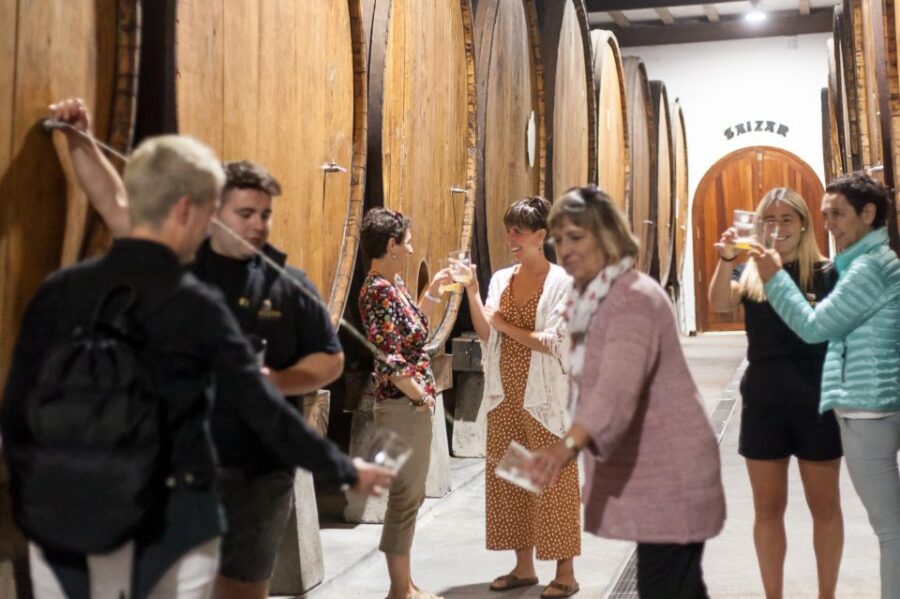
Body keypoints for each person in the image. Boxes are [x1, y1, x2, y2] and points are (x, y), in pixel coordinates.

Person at [0, 134, 392, 599]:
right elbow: (118, 204)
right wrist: (346, 471)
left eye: (265, 214)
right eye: (240, 213)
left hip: (229, 477)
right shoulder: (187, 287)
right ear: (203, 212)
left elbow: (19, 407)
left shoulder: (283, 283)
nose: (257, 226)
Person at [531, 186, 725, 599]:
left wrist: (565, 447)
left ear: (607, 235)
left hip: (672, 470)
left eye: (576, 237)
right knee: (680, 587)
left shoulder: (631, 298)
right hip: (653, 468)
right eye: (558, 239)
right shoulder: (596, 297)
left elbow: (616, 390)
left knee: (666, 587)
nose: (564, 248)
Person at [753, 173, 900, 599]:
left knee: (890, 530)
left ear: (868, 214)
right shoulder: (868, 263)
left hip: (869, 405)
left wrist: (774, 277)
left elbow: (814, 327)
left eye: (837, 214)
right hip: (874, 400)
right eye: (824, 215)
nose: (829, 223)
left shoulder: (868, 268)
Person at [707, 187, 843, 598]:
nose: (778, 227)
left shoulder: (827, 272)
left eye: (787, 219)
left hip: (816, 401)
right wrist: (728, 258)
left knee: (825, 508)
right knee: (768, 510)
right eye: (770, 219)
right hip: (763, 401)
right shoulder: (751, 273)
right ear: (760, 225)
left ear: (803, 223)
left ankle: (826, 595)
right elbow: (718, 304)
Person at [457, 197, 579, 598]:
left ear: (541, 236)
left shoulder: (562, 283)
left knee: (553, 481)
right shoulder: (500, 280)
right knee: (512, 481)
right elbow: (488, 334)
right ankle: (523, 567)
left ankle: (565, 572)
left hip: (544, 397)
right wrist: (473, 293)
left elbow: (553, 343)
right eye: (508, 230)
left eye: (519, 232)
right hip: (504, 394)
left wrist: (504, 323)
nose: (511, 238)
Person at [358, 208, 450, 599]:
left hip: (409, 404)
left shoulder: (391, 285)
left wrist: (431, 295)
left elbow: (413, 334)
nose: (412, 249)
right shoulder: (377, 290)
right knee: (403, 497)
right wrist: (421, 396)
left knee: (410, 495)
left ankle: (407, 584)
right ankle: (399, 591)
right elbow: (391, 359)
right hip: (402, 405)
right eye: (407, 241)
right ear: (391, 244)